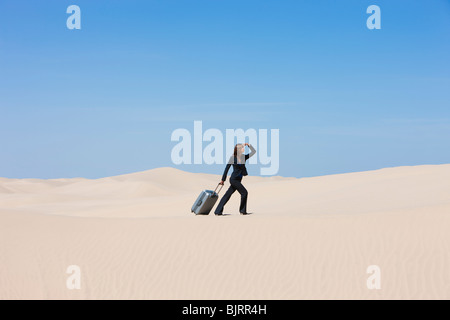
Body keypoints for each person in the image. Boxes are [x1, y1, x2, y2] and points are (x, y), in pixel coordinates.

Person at [214, 143, 256, 216]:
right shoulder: (232, 158)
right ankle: (242, 211)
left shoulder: (243, 157)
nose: (243, 149)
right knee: (244, 192)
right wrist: (223, 180)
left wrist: (249, 145)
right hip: (233, 179)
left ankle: (218, 211)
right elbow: (226, 169)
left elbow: (253, 152)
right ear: (239, 150)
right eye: (242, 148)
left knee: (227, 195)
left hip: (239, 179)